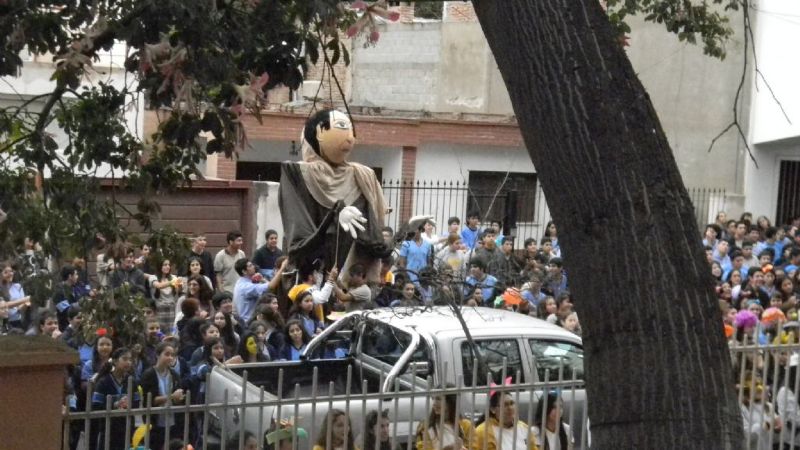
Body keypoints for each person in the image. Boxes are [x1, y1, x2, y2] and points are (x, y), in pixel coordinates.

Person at [279, 109, 391, 286]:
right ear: (317, 133)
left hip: (353, 276)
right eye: (340, 127)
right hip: (312, 276)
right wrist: (334, 215)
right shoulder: (298, 173)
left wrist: (406, 232)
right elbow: (300, 235)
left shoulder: (362, 175)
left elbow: (372, 235)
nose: (348, 137)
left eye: (349, 129)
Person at [139, 342, 186, 450]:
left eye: (172, 355)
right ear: (158, 355)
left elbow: (178, 400)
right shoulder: (149, 374)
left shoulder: (174, 375)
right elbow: (149, 401)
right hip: (154, 423)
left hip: (171, 421)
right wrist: (171, 396)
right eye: (167, 354)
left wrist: (178, 399)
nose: (170, 357)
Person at [90, 347, 138, 450]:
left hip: (127, 427)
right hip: (108, 428)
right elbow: (96, 406)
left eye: (130, 360)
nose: (128, 362)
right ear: (115, 361)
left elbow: (137, 402)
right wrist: (114, 405)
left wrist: (129, 404)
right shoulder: (103, 382)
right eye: (124, 359)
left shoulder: (132, 381)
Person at [473, 391, 539, 450]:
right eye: (505, 405)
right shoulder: (482, 432)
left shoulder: (524, 428)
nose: (510, 408)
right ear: (493, 409)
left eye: (512, 403)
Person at [233, 258, 271, 324]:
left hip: (247, 320)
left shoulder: (241, 282)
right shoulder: (246, 286)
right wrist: (282, 268)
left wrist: (262, 279)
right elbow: (270, 287)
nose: (253, 267)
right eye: (250, 266)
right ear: (244, 271)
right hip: (249, 322)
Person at [150, 258, 182, 334]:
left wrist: (180, 285)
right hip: (159, 309)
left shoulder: (173, 277)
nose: (167, 267)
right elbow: (159, 286)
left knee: (172, 332)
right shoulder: (153, 277)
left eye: (168, 265)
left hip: (172, 308)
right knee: (159, 332)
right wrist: (172, 282)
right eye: (165, 265)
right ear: (159, 266)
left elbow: (178, 291)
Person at [1, 262, 30, 331]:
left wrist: (25, 304)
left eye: (11, 271)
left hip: (18, 321)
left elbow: (22, 305)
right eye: (6, 272)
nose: (10, 274)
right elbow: (3, 305)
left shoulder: (18, 286)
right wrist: (25, 300)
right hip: (4, 322)